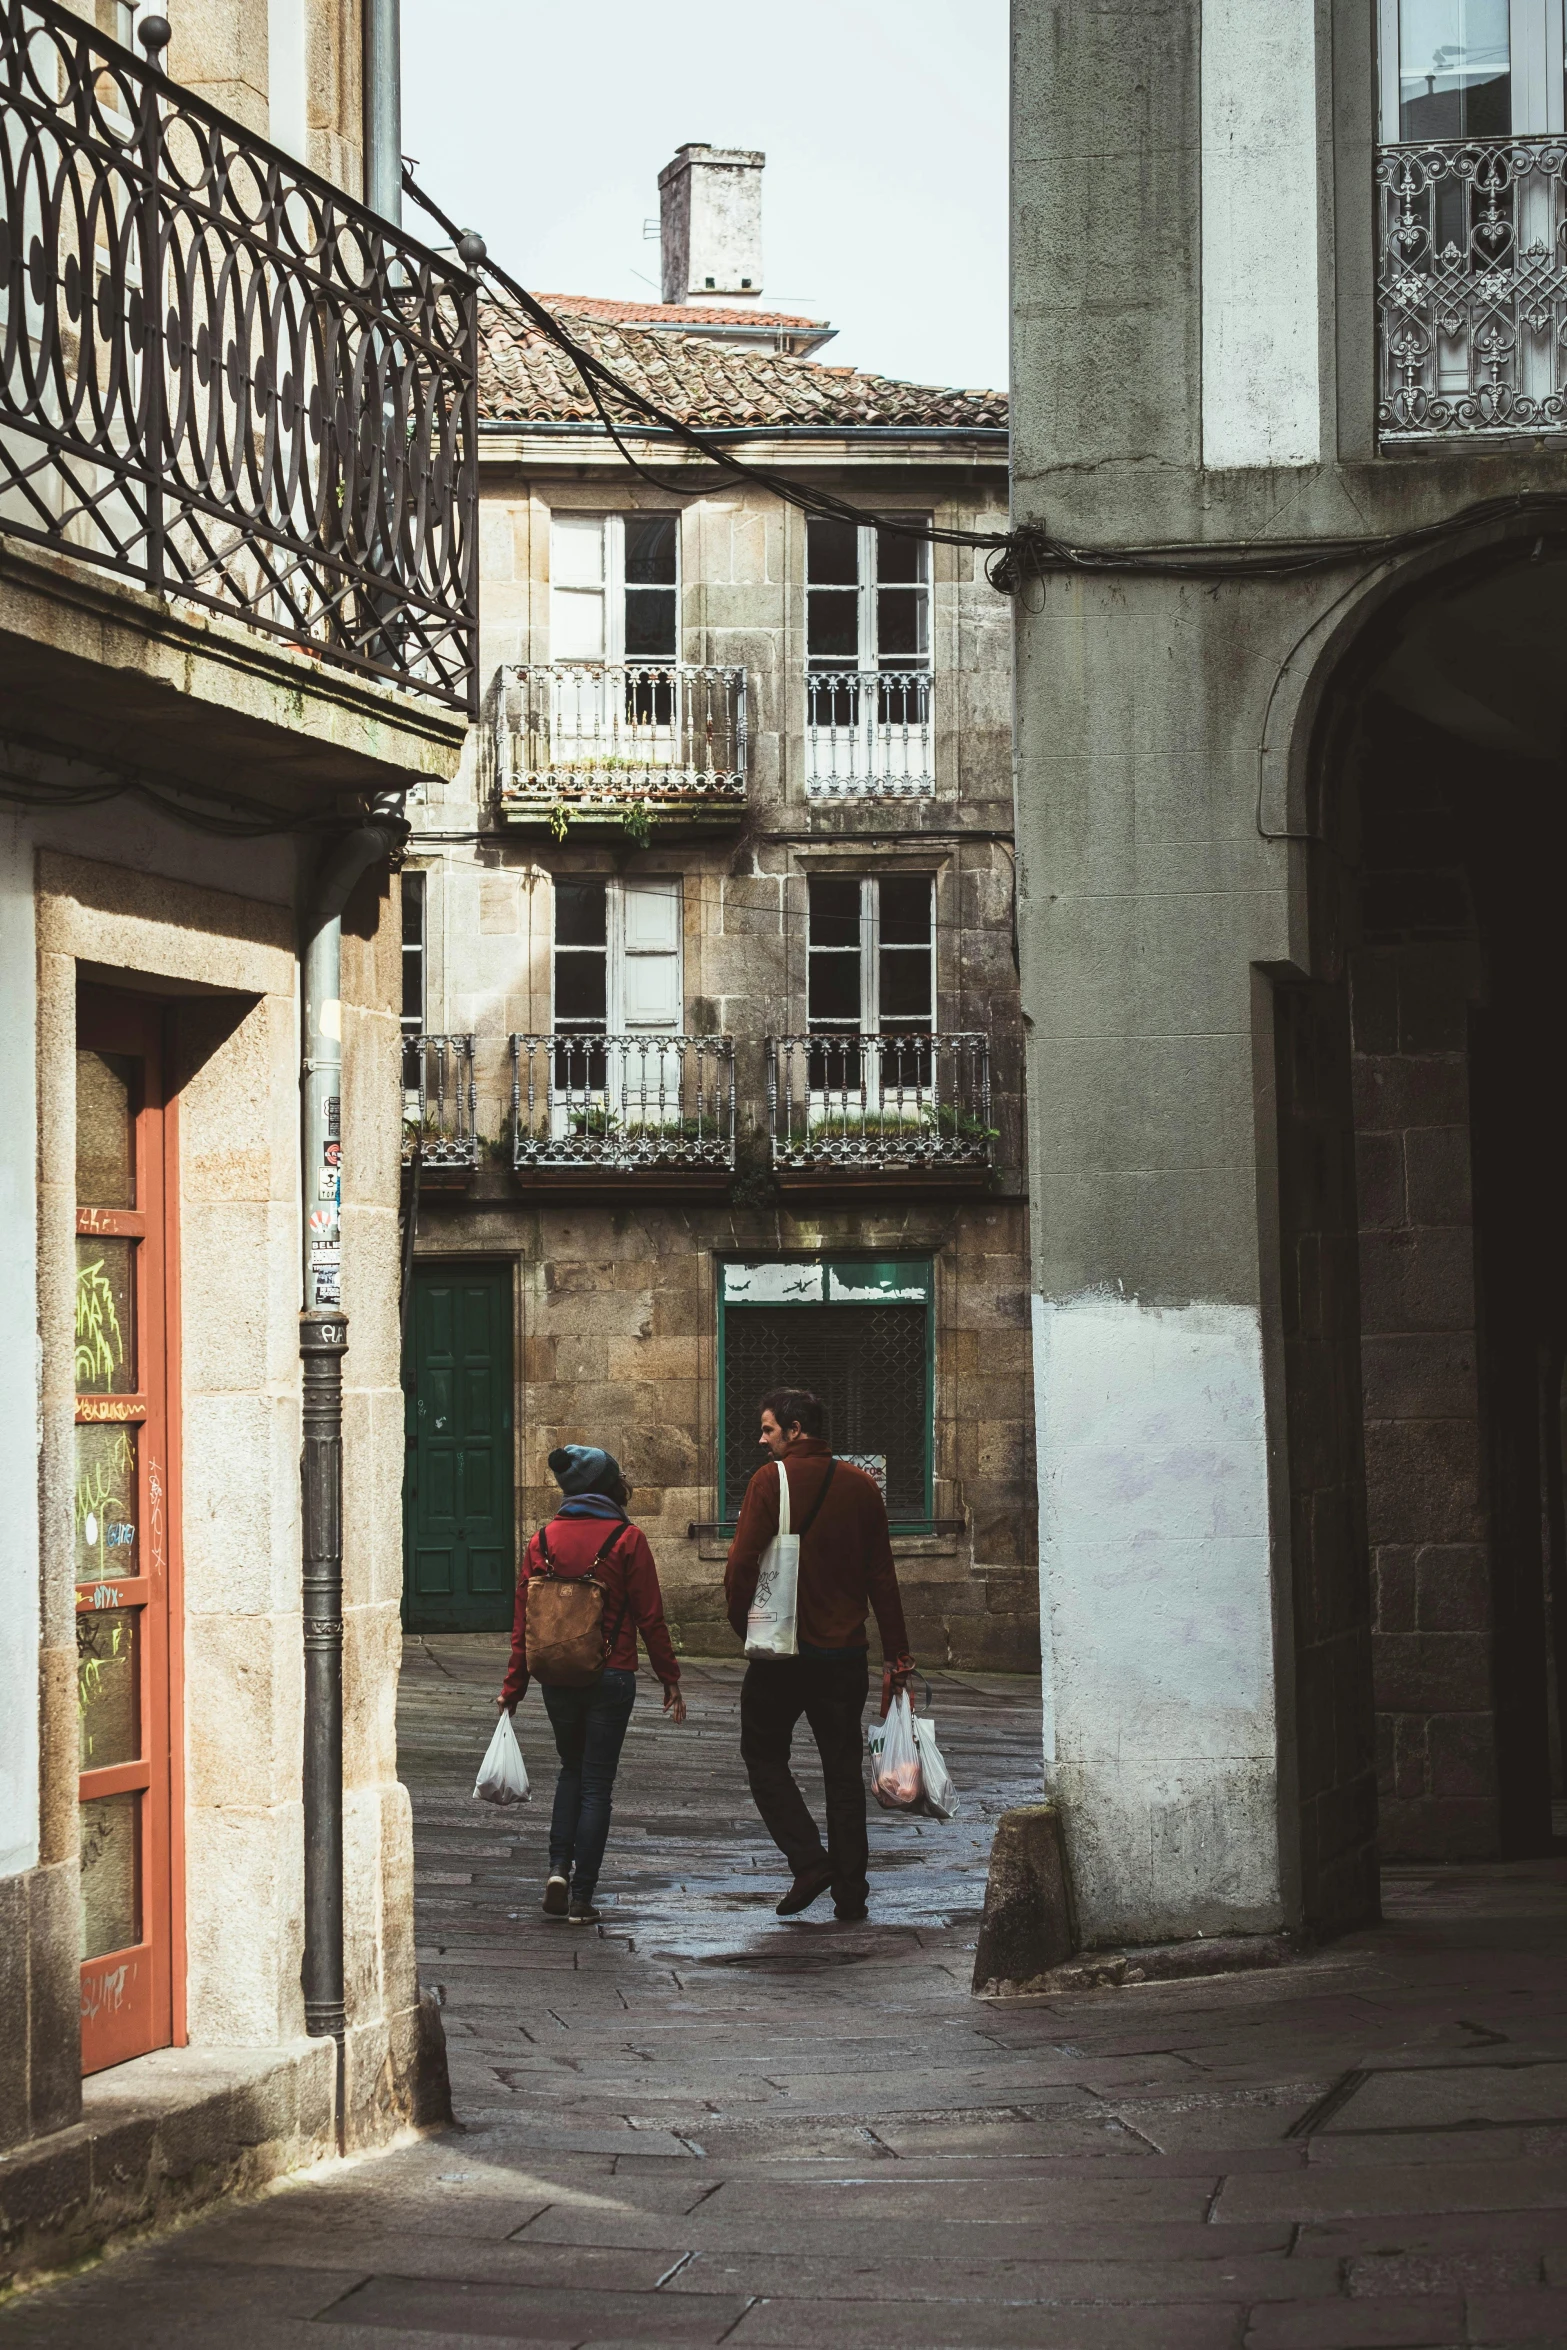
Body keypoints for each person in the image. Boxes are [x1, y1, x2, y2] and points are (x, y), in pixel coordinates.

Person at [725, 1390, 915, 1923]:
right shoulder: (862, 1486)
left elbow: (742, 1565)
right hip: (844, 1655)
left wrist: (746, 1627)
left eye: (767, 1430)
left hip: (781, 1655)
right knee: (841, 1770)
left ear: (795, 1429)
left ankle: (809, 1861)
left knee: (763, 1757)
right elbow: (882, 1575)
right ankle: (851, 1892)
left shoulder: (770, 1482)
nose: (762, 1441)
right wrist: (897, 1656)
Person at [499, 1444, 685, 1923]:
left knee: (570, 1770)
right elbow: (650, 1617)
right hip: (613, 1673)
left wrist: (513, 1687)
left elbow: (526, 1624)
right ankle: (582, 1899)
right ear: (606, 1484)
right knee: (596, 1785)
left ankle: (558, 1868)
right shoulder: (628, 1538)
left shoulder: (541, 1541)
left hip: (557, 1675)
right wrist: (670, 1677)